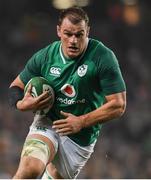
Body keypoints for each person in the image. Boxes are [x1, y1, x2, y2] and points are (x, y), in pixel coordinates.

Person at [8, 6, 126, 179]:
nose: (73, 40)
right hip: (48, 122)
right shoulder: (46, 56)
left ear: (88, 32)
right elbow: (15, 87)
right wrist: (22, 104)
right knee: (29, 170)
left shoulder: (103, 57)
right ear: (58, 31)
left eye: (79, 34)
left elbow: (119, 105)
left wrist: (82, 121)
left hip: (80, 138)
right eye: (68, 33)